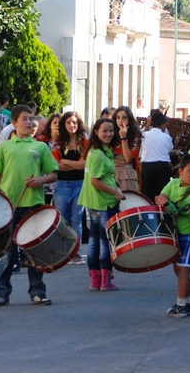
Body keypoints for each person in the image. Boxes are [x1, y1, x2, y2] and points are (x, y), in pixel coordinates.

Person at [0, 105, 59, 307]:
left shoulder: (41, 147)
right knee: (7, 253)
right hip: (8, 206)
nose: (29, 122)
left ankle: (37, 292)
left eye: (31, 118)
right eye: (24, 118)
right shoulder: (4, 147)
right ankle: (1, 293)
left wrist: (40, 180)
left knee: (34, 251)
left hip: (33, 205)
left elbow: (53, 174)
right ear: (14, 122)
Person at [156, 154, 190, 318]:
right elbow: (160, 197)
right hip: (176, 234)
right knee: (179, 269)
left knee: (184, 270)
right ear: (180, 172)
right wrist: (165, 203)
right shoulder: (173, 184)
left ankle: (180, 305)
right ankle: (189, 303)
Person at [78, 118, 126, 292]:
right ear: (96, 132)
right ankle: (105, 279)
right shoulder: (99, 153)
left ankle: (95, 279)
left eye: (111, 130)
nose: (108, 134)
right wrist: (115, 192)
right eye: (104, 131)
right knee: (106, 242)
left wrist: (114, 182)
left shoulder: (94, 150)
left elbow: (101, 176)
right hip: (103, 202)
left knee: (94, 240)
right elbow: (94, 181)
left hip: (94, 201)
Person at [52, 111, 88, 264]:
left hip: (79, 184)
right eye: (68, 122)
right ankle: (63, 252)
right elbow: (56, 165)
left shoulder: (85, 141)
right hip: (62, 185)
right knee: (62, 221)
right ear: (64, 124)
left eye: (74, 122)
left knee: (77, 221)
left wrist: (65, 162)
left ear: (79, 124)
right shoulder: (58, 142)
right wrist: (74, 165)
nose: (72, 125)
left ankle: (76, 253)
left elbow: (84, 164)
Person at [140, 110, 174, 200]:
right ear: (162, 124)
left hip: (147, 167)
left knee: (147, 194)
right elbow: (169, 149)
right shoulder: (167, 137)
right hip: (162, 167)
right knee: (162, 193)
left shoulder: (144, 135)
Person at [111, 106, 141, 191]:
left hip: (127, 174)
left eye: (124, 117)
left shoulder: (135, 136)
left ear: (129, 119)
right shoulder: (110, 134)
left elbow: (128, 159)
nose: (121, 120)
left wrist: (123, 138)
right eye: (118, 118)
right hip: (111, 173)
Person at [36, 112, 62, 204]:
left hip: (60, 185)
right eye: (55, 123)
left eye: (60, 123)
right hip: (43, 184)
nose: (57, 125)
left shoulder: (65, 143)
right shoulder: (40, 141)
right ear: (50, 125)